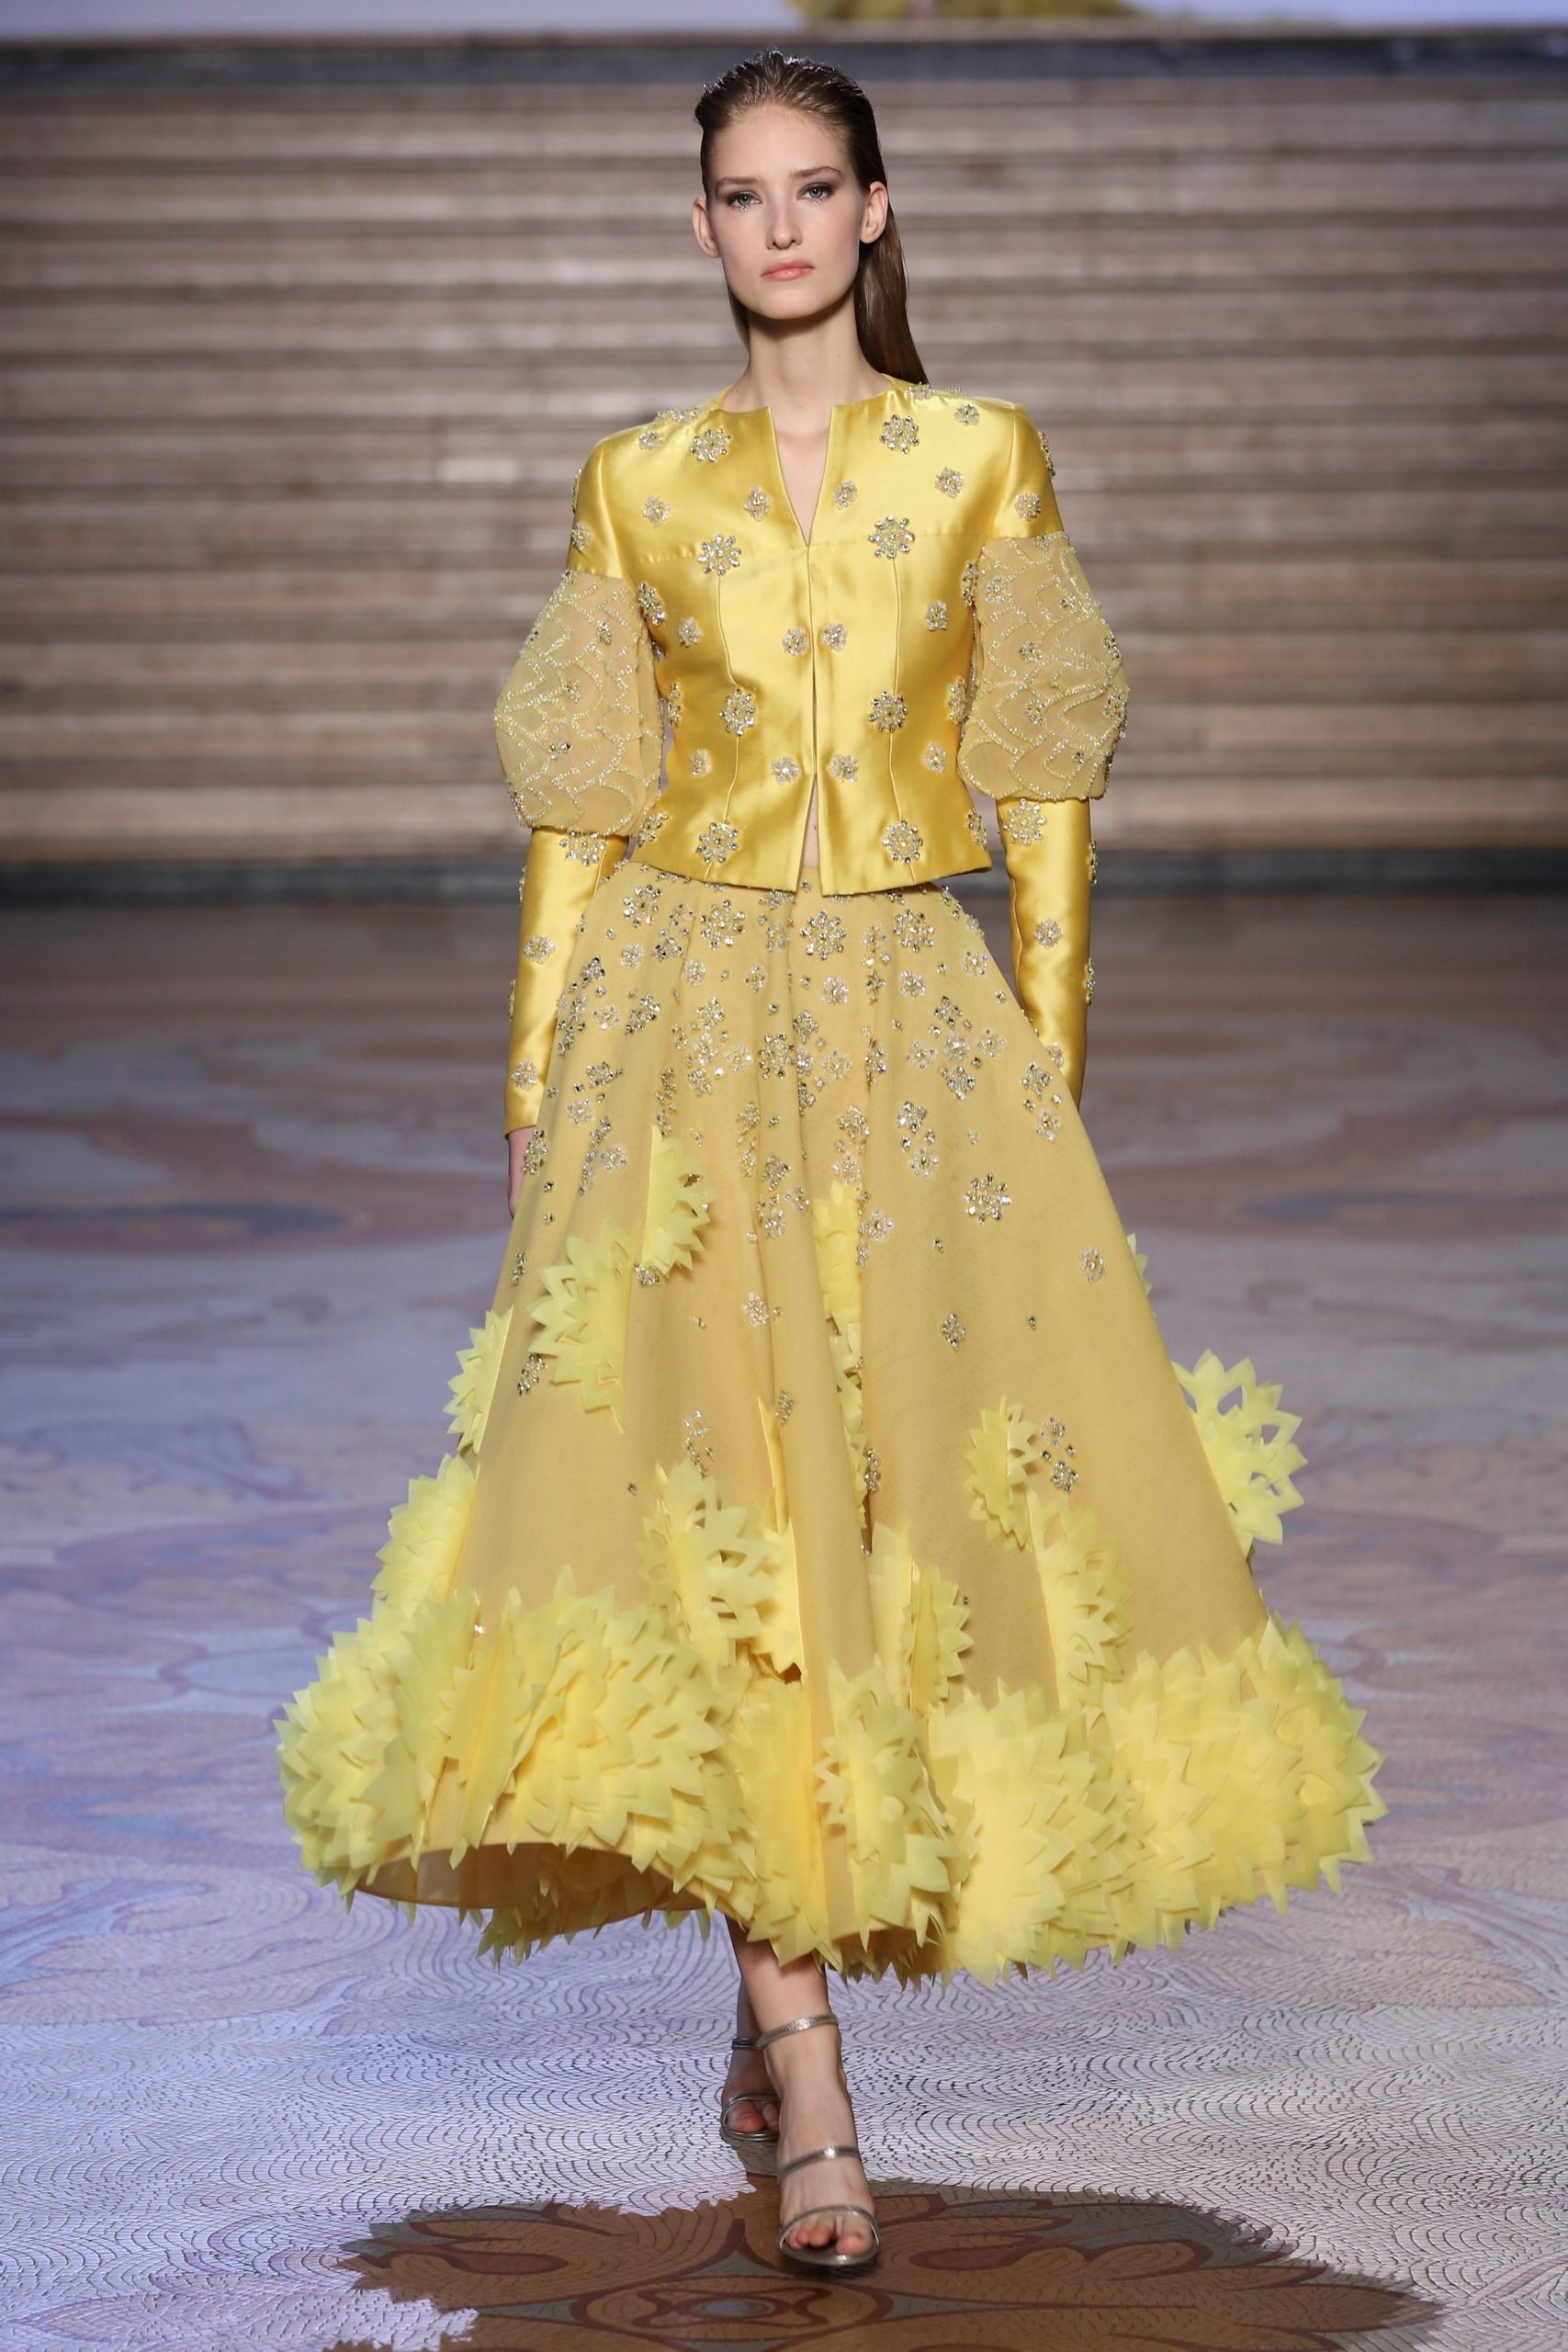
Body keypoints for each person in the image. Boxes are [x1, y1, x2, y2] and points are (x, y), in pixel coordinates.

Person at [279, 51, 1384, 2277]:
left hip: (907, 1030)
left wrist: (1044, 1067)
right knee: (714, 1521)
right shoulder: (635, 483)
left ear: (873, 210)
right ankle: (811, 2077)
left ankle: (767, 1990)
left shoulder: (979, 458)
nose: (778, 226)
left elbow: (1041, 783)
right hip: (675, 1035)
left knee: (873, 1525)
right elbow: (580, 810)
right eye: (740, 194)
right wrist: (532, 1077)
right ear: (697, 227)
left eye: (812, 188)